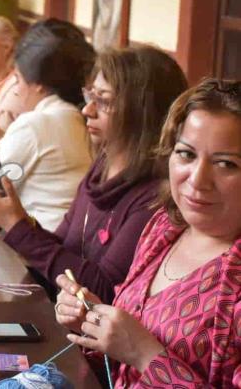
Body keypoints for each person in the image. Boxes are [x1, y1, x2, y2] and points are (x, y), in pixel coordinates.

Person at [54, 78, 241, 387]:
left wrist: (145, 354)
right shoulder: (164, 228)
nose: (198, 179)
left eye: (226, 164)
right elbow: (121, 371)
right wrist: (93, 324)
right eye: (186, 154)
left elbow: (139, 354)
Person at [0, 46, 188, 302]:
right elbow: (63, 249)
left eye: (103, 101)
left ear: (141, 111)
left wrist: (16, 226)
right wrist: (20, 221)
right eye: (90, 96)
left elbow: (102, 288)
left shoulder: (155, 195)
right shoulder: (102, 167)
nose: (87, 110)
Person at [0, 19, 95, 232]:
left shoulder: (36, 124)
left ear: (37, 85)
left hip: (39, 248)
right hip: (61, 240)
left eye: (17, 80)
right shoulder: (74, 117)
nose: (16, 90)